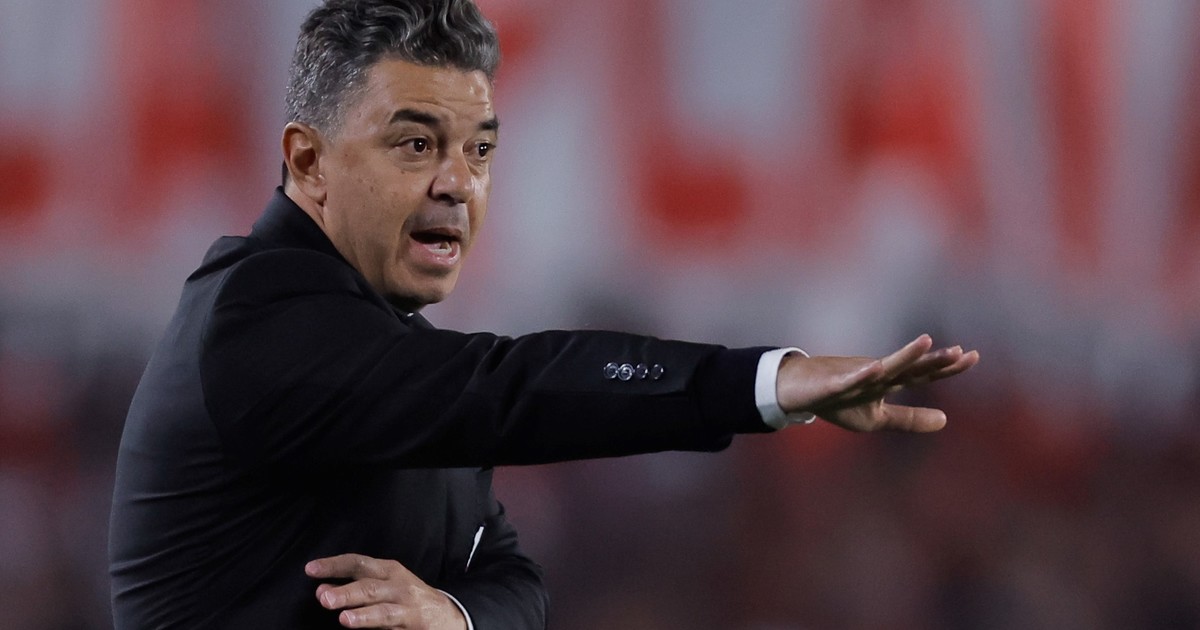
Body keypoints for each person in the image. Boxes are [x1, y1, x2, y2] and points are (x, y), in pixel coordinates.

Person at [108, 0, 979, 628]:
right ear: (308, 162)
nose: (458, 184)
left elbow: (515, 581)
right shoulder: (255, 316)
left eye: (479, 150)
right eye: (415, 144)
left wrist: (451, 613)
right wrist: (758, 381)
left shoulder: (397, 360)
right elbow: (513, 388)